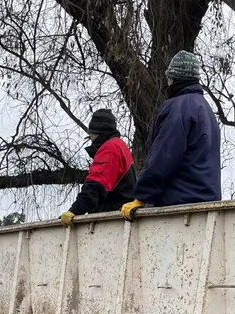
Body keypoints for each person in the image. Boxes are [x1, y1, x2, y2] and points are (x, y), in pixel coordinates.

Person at [121, 50, 221, 219]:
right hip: (207, 204)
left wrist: (141, 197)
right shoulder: (205, 109)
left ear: (174, 79)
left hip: (179, 205)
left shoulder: (177, 108)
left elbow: (164, 155)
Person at [60, 109, 136, 225]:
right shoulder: (120, 146)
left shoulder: (109, 149)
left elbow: (96, 184)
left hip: (112, 219)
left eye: (90, 135)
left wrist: (75, 210)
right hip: (122, 213)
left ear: (95, 133)